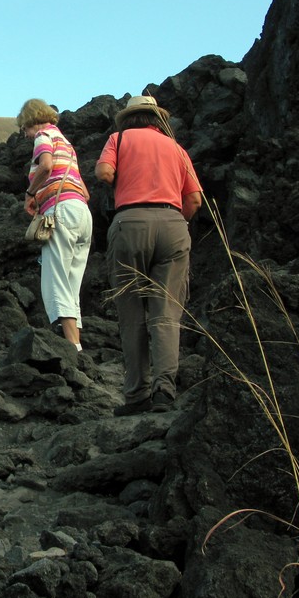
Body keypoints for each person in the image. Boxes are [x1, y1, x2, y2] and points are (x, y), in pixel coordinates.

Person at [95, 94, 203, 415]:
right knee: (166, 313)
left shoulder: (119, 138)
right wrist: (173, 222)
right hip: (173, 224)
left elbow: (103, 173)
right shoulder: (177, 149)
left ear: (128, 118)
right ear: (158, 119)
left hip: (130, 224)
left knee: (131, 314)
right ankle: (164, 392)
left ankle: (136, 394)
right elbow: (195, 199)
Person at [16, 99, 93, 352]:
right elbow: (85, 191)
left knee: (56, 280)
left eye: (23, 129)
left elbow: (46, 166)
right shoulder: (67, 144)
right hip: (83, 214)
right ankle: (76, 343)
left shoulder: (43, 135)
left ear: (29, 120)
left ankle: (73, 348)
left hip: (61, 212)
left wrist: (31, 193)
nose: (26, 135)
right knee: (72, 283)